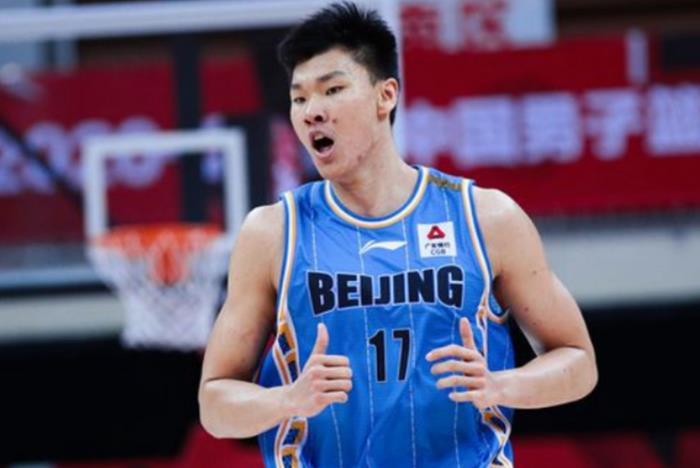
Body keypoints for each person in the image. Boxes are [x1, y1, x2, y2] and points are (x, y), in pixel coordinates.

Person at [198, 2, 598, 467]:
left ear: (385, 96)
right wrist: (287, 399)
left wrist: (501, 385)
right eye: (299, 98)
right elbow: (215, 405)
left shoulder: (487, 217)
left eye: (332, 90)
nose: (312, 112)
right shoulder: (272, 232)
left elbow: (579, 362)